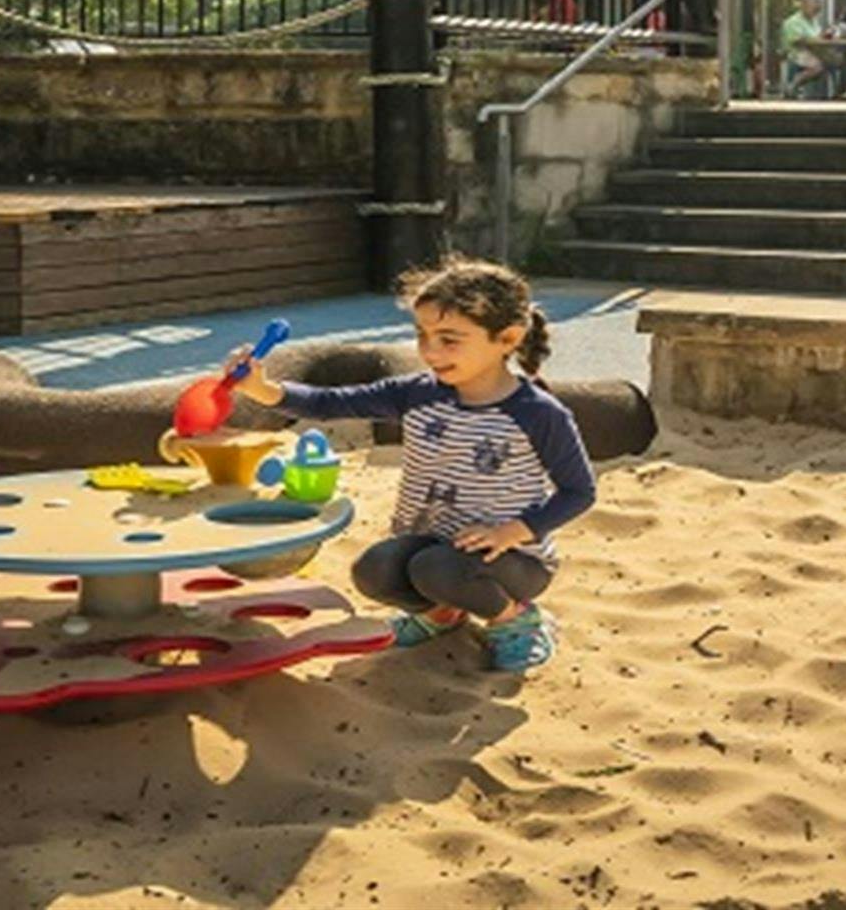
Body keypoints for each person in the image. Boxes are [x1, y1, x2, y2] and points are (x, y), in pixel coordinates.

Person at [230, 257, 595, 672]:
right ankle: (444, 614)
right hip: (434, 546)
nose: (430, 351)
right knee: (374, 570)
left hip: (513, 561)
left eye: (449, 339)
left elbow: (579, 491)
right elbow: (332, 403)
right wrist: (262, 389)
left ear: (507, 338)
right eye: (422, 335)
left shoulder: (538, 413)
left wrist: (512, 531)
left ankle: (515, 619)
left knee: (435, 569)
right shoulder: (418, 393)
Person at [779, 0, 830, 98]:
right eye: (814, 8)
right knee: (818, 66)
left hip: (814, 51)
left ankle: (831, 94)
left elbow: (816, 36)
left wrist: (825, 36)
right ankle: (795, 83)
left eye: (818, 10)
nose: (816, 12)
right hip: (797, 53)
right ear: (804, 6)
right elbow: (797, 41)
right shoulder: (792, 22)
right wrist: (815, 40)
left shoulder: (813, 21)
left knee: (836, 61)